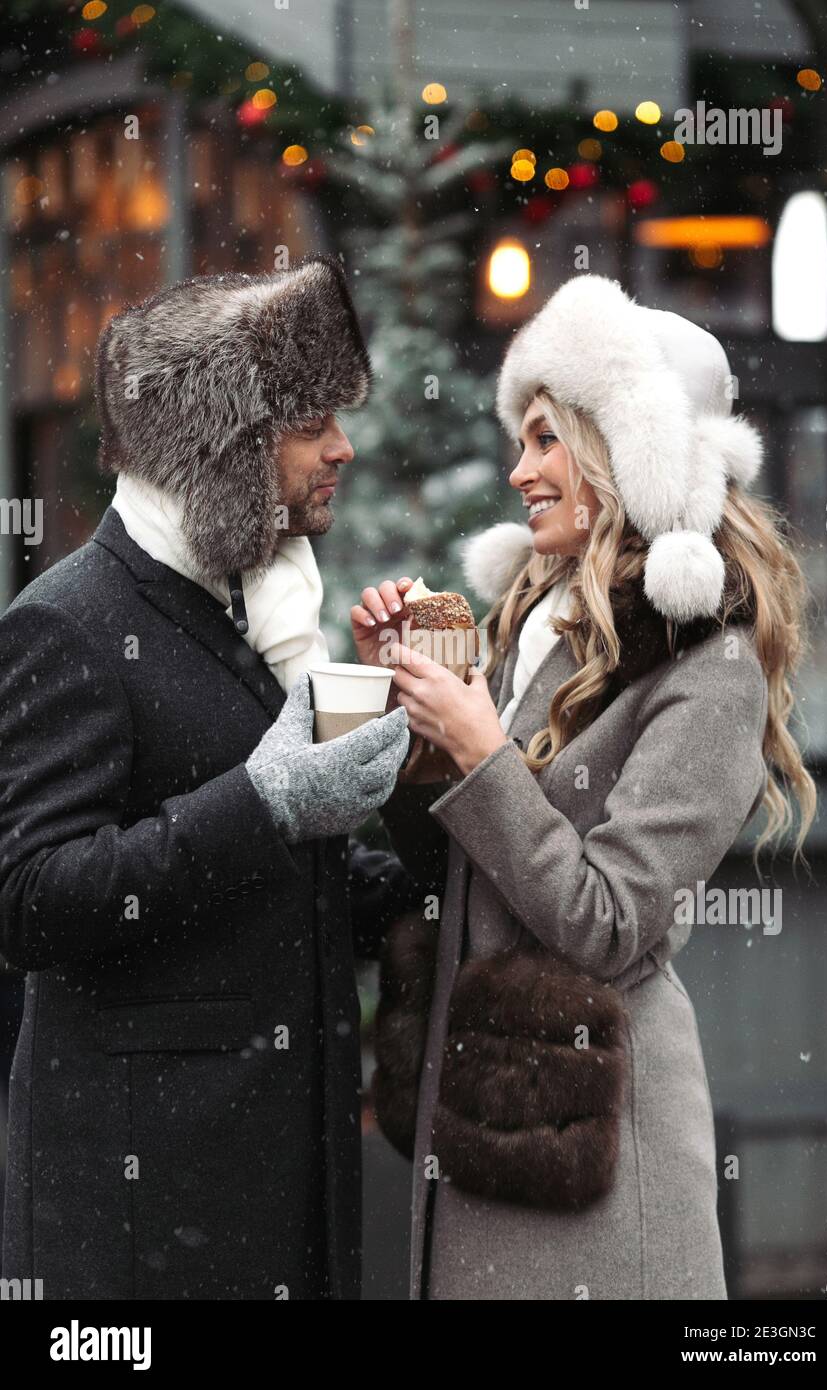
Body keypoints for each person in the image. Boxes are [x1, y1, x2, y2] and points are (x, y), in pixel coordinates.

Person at [355, 273, 816, 1300]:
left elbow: (607, 921)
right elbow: (463, 870)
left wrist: (477, 751)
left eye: (544, 439)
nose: (517, 471)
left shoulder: (712, 667)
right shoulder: (533, 634)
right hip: (492, 1132)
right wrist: (412, 716)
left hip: (597, 1177)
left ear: (628, 454)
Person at [0, 256, 417, 1300]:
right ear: (226, 441)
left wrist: (436, 797)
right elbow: (30, 902)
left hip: (274, 1204)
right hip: (148, 1231)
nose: (342, 447)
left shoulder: (261, 602)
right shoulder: (69, 621)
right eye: (311, 421)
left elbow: (283, 894)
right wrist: (264, 803)